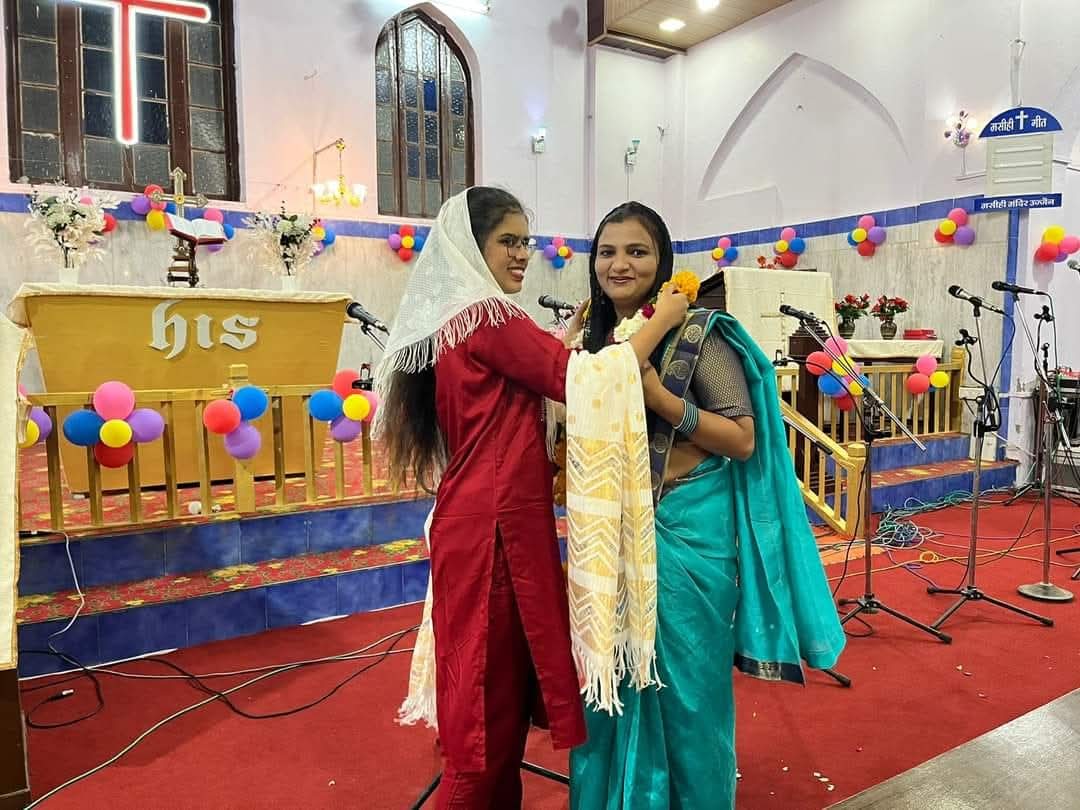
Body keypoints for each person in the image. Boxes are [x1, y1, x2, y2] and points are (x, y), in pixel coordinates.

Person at [375, 187, 689, 809]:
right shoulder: (487, 316)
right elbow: (587, 380)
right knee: (484, 721)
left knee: (502, 702)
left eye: (526, 240)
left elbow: (525, 387)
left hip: (487, 518)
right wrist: (664, 318)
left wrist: (559, 339)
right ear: (472, 248)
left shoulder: (460, 319)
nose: (522, 253)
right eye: (507, 241)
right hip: (495, 531)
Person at [567, 202, 847, 810]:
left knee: (688, 696)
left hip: (686, 530)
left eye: (637, 252)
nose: (620, 265)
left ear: (663, 260)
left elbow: (743, 439)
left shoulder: (698, 333)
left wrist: (660, 398)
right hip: (610, 535)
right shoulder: (590, 339)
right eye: (607, 252)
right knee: (607, 687)